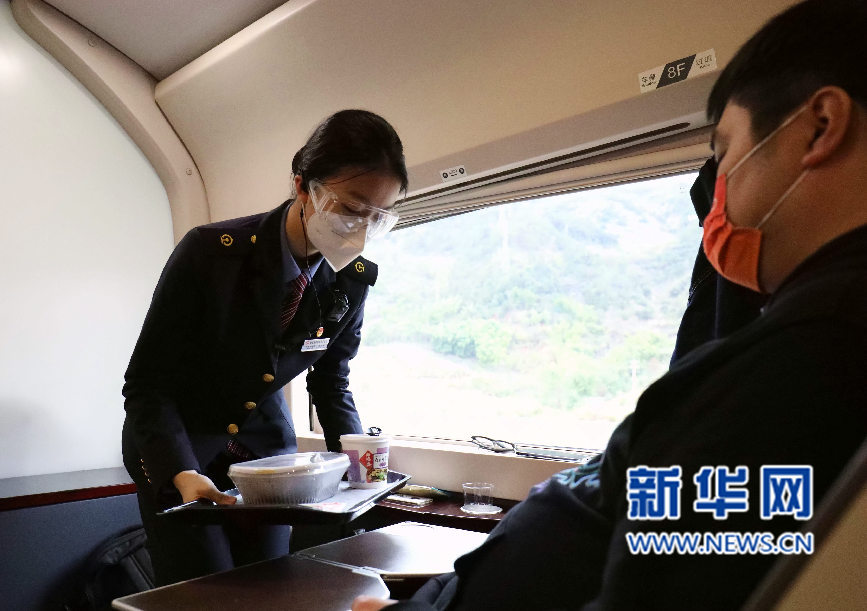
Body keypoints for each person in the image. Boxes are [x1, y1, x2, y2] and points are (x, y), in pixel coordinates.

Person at [353, 1, 867, 608]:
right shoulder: (801, 336)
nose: (719, 191)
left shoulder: (805, 360)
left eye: (726, 150)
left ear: (820, 127)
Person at [122, 109, 407, 585]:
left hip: (267, 458)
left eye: (377, 218)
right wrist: (180, 471)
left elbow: (331, 381)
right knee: (205, 589)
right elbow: (147, 384)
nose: (360, 231)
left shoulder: (351, 281)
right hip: (180, 443)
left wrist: (357, 466)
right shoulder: (212, 253)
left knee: (270, 582)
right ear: (303, 187)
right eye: (350, 209)